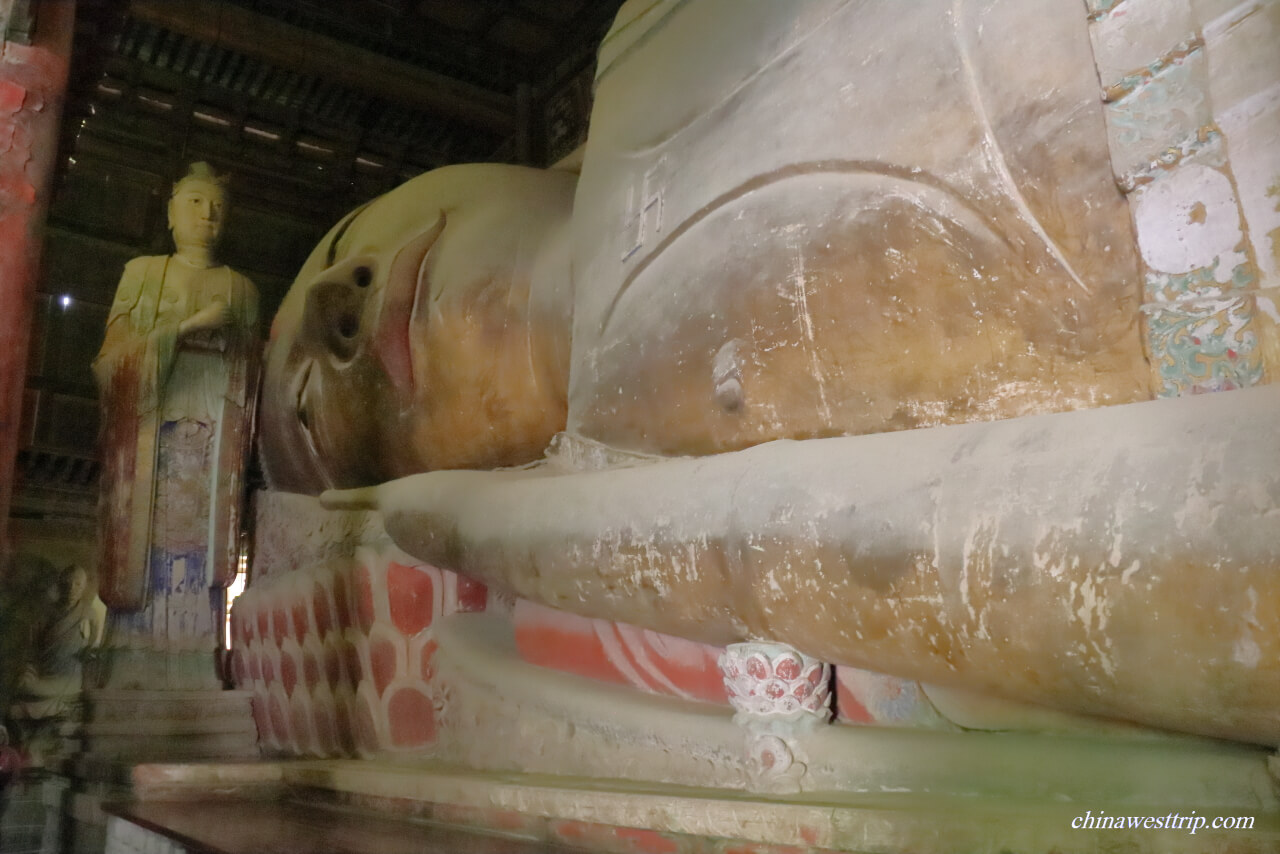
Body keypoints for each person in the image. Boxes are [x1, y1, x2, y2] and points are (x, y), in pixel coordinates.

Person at [93, 163, 259, 655]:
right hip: (150, 435)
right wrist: (182, 331)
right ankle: (131, 654)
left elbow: (254, 373)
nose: (208, 214)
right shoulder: (142, 273)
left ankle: (199, 655)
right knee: (146, 540)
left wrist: (230, 342)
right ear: (170, 213)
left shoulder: (241, 289)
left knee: (199, 549)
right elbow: (110, 360)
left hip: (212, 440)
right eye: (194, 202)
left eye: (218, 207)